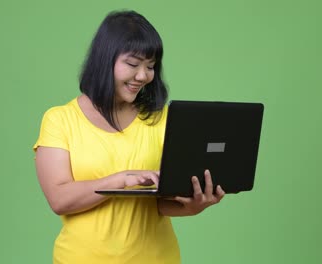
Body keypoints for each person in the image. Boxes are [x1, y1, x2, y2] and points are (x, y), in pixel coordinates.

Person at [33, 10, 226, 264]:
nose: (143, 76)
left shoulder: (161, 119)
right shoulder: (59, 119)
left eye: (150, 66)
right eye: (133, 64)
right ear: (105, 60)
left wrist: (193, 205)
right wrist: (121, 180)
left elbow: (157, 205)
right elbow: (59, 199)